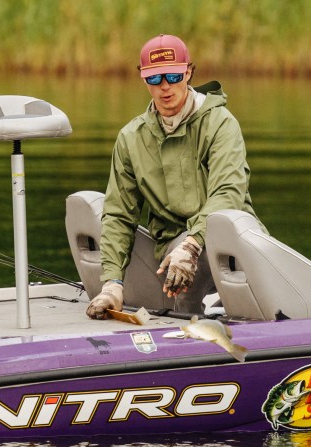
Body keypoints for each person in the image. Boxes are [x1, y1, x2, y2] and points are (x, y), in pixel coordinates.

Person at [86, 34, 262, 319]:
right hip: (170, 246)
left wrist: (191, 245)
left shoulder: (221, 124)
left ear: (188, 72)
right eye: (154, 78)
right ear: (143, 79)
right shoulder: (130, 138)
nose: (165, 86)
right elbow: (119, 215)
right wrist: (112, 283)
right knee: (175, 272)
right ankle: (184, 331)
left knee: (209, 247)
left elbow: (228, 193)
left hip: (228, 236)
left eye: (173, 76)